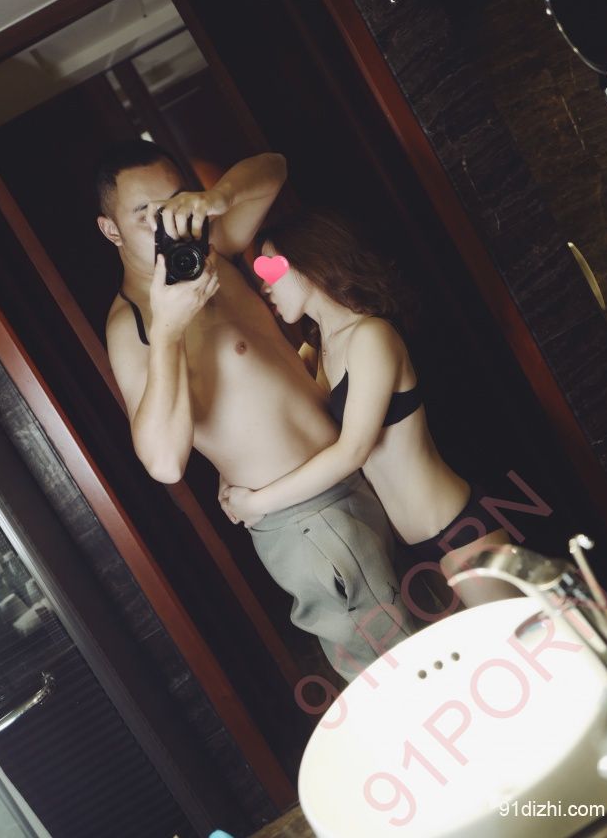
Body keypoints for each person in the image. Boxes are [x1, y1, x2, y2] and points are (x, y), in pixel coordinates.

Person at [95, 141, 415, 681]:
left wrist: (214, 198)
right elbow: (164, 463)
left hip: (362, 476)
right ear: (111, 230)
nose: (163, 223)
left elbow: (274, 167)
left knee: (438, 638)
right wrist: (170, 329)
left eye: (172, 202)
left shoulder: (211, 250)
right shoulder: (134, 325)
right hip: (307, 521)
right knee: (405, 676)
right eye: (144, 213)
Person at [218, 210, 511, 608]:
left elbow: (353, 450)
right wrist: (228, 474)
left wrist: (259, 503)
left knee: (536, 640)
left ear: (310, 262)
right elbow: (272, 406)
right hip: (406, 547)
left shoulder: (371, 336)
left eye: (274, 269)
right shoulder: (319, 346)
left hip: (454, 528)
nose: (266, 285)